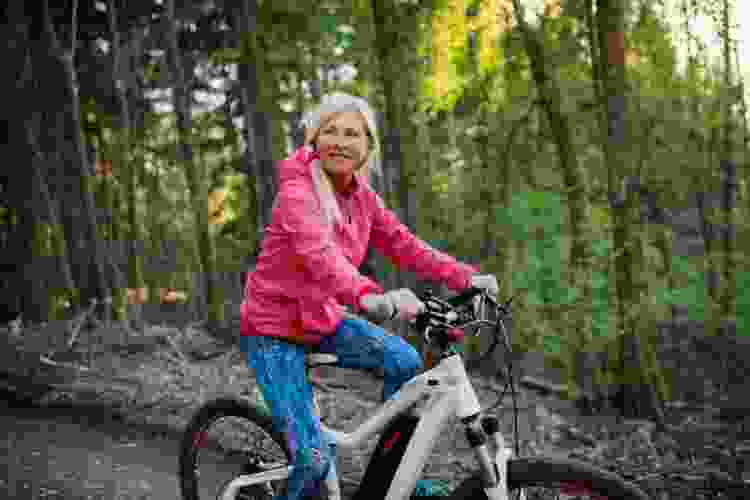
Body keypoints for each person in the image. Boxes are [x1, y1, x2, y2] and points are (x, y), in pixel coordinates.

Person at [239, 92, 499, 500]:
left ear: (367, 146)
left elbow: (405, 245)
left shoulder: (362, 198)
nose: (340, 141)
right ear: (314, 140)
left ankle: (387, 476)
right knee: (311, 459)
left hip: (321, 320)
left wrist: (465, 277)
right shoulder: (298, 194)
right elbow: (319, 254)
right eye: (331, 131)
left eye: (351, 133)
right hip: (272, 332)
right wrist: (369, 295)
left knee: (405, 363)